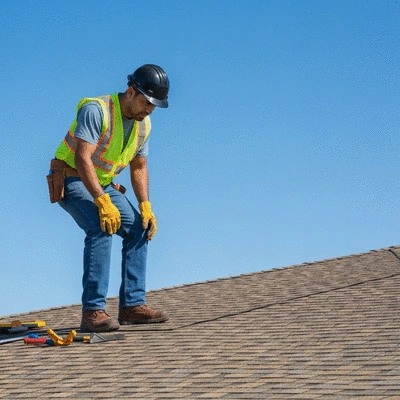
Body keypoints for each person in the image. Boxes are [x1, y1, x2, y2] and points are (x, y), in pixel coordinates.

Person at [49, 64, 170, 332]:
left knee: (140, 228)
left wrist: (145, 207)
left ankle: (132, 306)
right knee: (101, 225)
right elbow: (82, 158)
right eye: (147, 102)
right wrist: (102, 202)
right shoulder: (97, 110)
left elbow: (139, 167)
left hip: (101, 183)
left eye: (155, 105)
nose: (150, 109)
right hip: (71, 177)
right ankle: (93, 312)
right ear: (130, 91)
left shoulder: (143, 124)